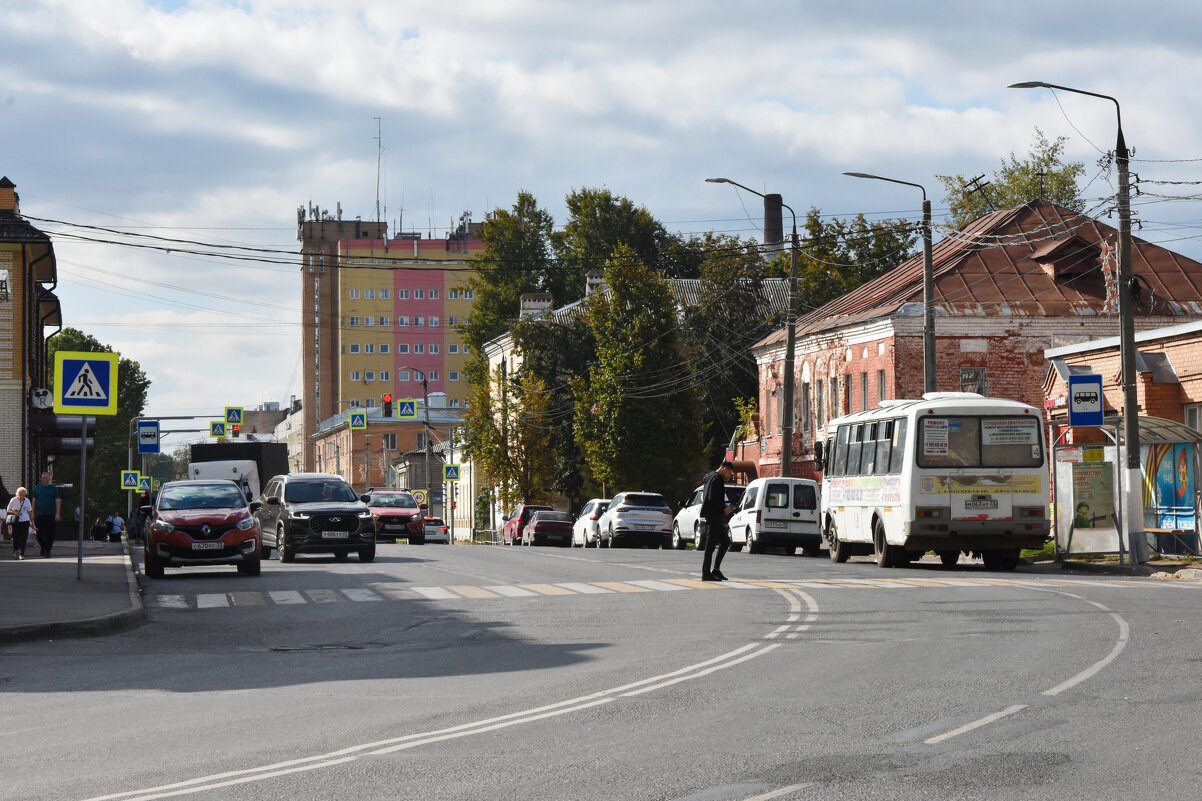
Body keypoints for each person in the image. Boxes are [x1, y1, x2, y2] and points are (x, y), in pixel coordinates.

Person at [700, 460, 736, 581]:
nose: (729, 477)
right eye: (729, 473)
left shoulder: (710, 476)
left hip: (713, 515)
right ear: (724, 468)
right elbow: (712, 498)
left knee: (725, 541)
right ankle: (706, 574)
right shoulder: (717, 479)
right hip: (714, 515)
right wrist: (724, 508)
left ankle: (716, 570)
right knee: (710, 546)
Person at [31, 471, 61, 558]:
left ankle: (48, 551)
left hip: (51, 514)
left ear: (49, 478)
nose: (43, 479)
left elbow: (58, 501)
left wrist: (58, 514)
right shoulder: (38, 488)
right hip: (39, 514)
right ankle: (43, 545)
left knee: (50, 533)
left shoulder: (54, 489)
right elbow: (34, 501)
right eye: (42, 477)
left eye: (44, 477)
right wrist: (32, 513)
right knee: (39, 533)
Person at [7, 487, 34, 560]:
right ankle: (15, 551)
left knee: (23, 538)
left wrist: (32, 523)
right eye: (20, 494)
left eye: (23, 495)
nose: (22, 496)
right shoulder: (13, 500)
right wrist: (15, 512)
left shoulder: (27, 501)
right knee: (15, 537)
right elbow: (8, 510)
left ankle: (22, 554)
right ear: (17, 494)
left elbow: (30, 512)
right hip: (16, 521)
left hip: (25, 521)